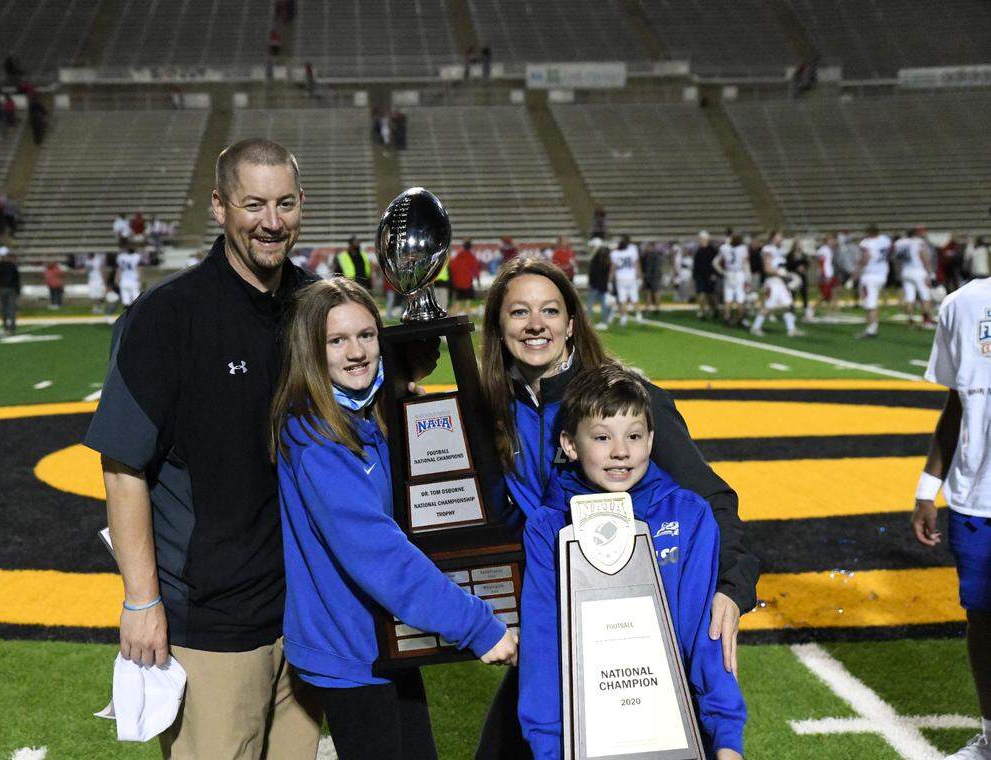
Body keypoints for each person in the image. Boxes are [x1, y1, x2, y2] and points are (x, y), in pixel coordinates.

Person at [84, 138, 324, 759]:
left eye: (285, 203)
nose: (272, 222)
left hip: (308, 615)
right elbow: (121, 465)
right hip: (213, 625)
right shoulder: (168, 316)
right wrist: (141, 600)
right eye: (254, 204)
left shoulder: (318, 308)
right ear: (219, 207)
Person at [474, 258, 759, 759]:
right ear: (499, 327)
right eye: (519, 312)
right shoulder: (488, 409)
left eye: (550, 310)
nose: (535, 324)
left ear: (571, 323)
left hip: (644, 618)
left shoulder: (620, 400)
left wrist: (732, 588)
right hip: (557, 614)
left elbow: (709, 500)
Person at [271, 277, 517, 760]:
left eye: (366, 335)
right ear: (310, 351)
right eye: (336, 340)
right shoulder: (314, 437)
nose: (356, 351)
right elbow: (379, 554)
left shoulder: (366, 416)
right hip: (352, 651)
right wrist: (476, 624)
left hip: (389, 640)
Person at [519, 364, 746, 759]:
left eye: (634, 436)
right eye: (602, 437)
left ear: (651, 439)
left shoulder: (688, 515)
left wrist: (727, 739)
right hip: (584, 738)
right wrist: (547, 746)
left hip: (677, 731)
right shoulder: (548, 527)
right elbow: (543, 646)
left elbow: (702, 634)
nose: (621, 451)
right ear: (570, 445)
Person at [914, 279, 991, 760]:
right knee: (983, 621)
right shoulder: (962, 304)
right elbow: (959, 402)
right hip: (977, 500)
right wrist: (928, 487)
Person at [749, 232, 800, 337]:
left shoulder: (779, 250)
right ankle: (755, 327)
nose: (781, 239)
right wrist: (779, 273)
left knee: (788, 304)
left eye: (781, 237)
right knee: (769, 306)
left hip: (780, 282)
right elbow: (767, 268)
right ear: (772, 238)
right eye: (779, 237)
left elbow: (781, 267)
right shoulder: (768, 249)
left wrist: (787, 275)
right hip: (773, 282)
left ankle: (792, 329)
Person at [851, 224, 892, 339]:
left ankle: (871, 329)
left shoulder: (866, 243)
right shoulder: (885, 240)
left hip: (870, 275)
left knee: (870, 303)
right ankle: (872, 327)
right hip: (882, 274)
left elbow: (866, 257)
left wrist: (856, 271)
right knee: (872, 301)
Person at [895, 227, 937, 328]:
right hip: (918, 271)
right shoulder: (918, 242)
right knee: (925, 296)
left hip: (905, 271)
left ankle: (910, 319)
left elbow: (897, 258)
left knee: (910, 296)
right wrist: (930, 273)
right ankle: (928, 319)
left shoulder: (899, 243)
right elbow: (924, 256)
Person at [713, 234, 750, 326]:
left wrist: (722, 272)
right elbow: (746, 263)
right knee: (740, 299)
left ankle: (726, 318)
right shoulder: (743, 248)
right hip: (739, 274)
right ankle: (741, 319)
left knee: (728, 298)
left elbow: (714, 262)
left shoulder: (724, 248)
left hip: (729, 274)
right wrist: (748, 277)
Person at [610, 235, 642, 326]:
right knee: (634, 297)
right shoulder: (632, 250)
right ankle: (639, 316)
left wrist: (609, 280)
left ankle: (624, 318)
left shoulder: (615, 253)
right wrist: (639, 276)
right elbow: (636, 264)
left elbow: (613, 268)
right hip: (631, 278)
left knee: (623, 299)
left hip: (621, 278)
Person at [0, 246, 20, 335]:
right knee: (11, 308)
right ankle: (12, 328)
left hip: (2, 288)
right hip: (11, 288)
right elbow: (17, 278)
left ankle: (5, 327)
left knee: (4, 308)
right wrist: (17, 290)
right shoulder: (12, 265)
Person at [449, 239, 481, 315]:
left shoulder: (458, 256)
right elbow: (475, 270)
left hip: (457, 282)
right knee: (468, 298)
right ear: (470, 247)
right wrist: (478, 280)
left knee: (458, 299)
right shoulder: (471, 257)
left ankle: (455, 312)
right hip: (467, 282)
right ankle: (467, 312)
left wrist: (453, 279)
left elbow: (452, 267)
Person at [586, 238, 611, 330]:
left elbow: (594, 272)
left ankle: (589, 322)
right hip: (603, 284)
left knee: (591, 303)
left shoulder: (596, 257)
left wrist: (590, 282)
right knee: (603, 303)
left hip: (596, 284)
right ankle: (604, 321)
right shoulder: (606, 255)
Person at [693, 231, 718, 319]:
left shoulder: (712, 250)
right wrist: (694, 276)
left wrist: (714, 274)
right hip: (700, 275)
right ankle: (702, 311)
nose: (700, 240)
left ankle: (714, 309)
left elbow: (716, 263)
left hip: (710, 275)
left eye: (701, 238)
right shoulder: (698, 250)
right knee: (701, 293)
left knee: (711, 295)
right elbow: (696, 265)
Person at [814, 233, 839, 314]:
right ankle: (812, 309)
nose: (832, 241)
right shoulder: (823, 249)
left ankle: (833, 310)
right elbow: (821, 263)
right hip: (826, 274)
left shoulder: (829, 249)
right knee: (824, 294)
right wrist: (823, 275)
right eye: (830, 239)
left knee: (834, 291)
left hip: (830, 273)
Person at [642, 240, 664, 314]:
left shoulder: (647, 255)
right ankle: (657, 308)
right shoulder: (659, 254)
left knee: (648, 291)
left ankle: (648, 308)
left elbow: (646, 267)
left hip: (650, 275)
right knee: (656, 291)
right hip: (656, 275)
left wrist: (645, 274)